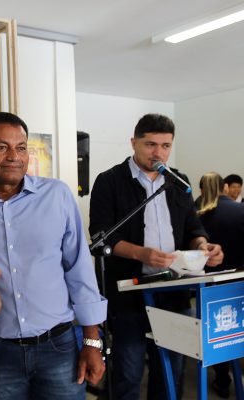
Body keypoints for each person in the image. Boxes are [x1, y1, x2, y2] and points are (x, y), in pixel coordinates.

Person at [0, 112, 107, 400]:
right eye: (1, 147)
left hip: (58, 347)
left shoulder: (57, 196)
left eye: (21, 148)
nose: (14, 157)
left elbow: (79, 269)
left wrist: (92, 341)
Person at [89, 113, 224, 400]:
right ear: (133, 142)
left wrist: (203, 246)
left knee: (171, 373)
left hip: (174, 291)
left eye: (166, 146)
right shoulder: (110, 181)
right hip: (129, 294)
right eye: (150, 144)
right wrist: (141, 253)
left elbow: (193, 227)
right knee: (128, 373)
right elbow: (102, 236)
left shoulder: (178, 181)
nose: (158, 153)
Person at [197, 172, 244, 398]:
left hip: (210, 285)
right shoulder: (240, 210)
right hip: (240, 281)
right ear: (225, 187)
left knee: (217, 334)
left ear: (201, 189)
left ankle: (222, 380)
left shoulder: (197, 216)